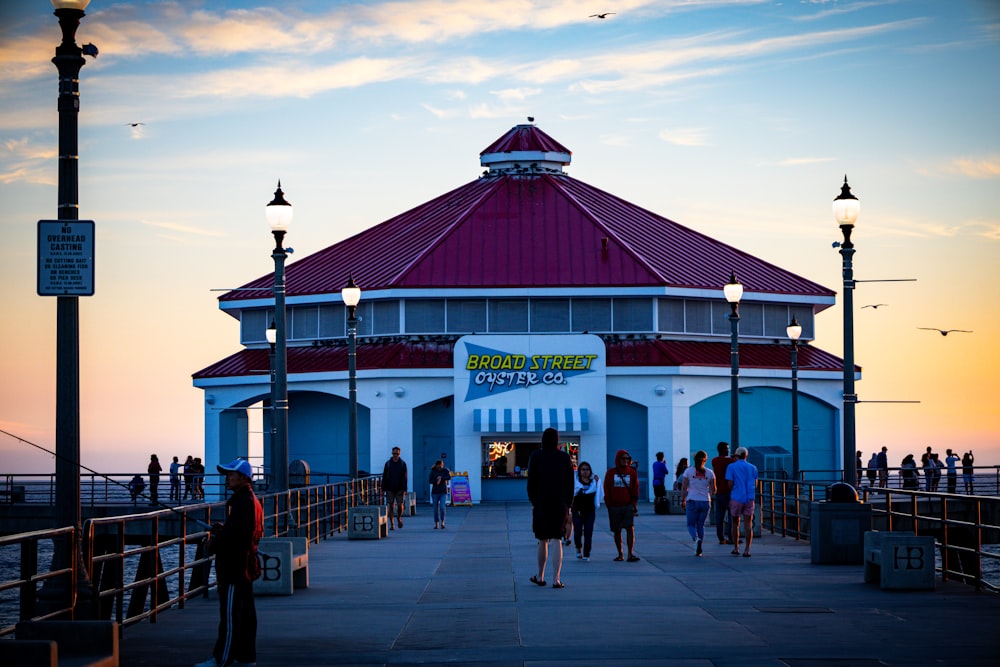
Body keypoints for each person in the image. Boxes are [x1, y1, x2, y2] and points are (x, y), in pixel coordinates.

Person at [196, 458, 263, 667]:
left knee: (231, 617)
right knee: (245, 616)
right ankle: (246, 657)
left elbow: (237, 539)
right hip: (246, 566)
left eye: (231, 474)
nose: (228, 477)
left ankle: (221, 660)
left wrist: (213, 544)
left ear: (243, 477)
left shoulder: (241, 503)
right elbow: (241, 531)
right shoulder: (251, 500)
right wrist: (223, 529)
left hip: (235, 568)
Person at [526, 428, 574, 588]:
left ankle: (540, 576)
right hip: (559, 504)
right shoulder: (564, 458)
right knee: (557, 540)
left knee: (542, 540)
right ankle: (556, 579)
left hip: (541, 504)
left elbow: (531, 483)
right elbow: (570, 484)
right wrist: (568, 505)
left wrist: (534, 501)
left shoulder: (536, 456)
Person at [604, 449, 640, 562]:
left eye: (627, 458)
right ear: (618, 459)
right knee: (617, 530)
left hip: (627, 505)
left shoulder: (632, 473)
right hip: (614, 506)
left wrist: (634, 504)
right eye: (623, 458)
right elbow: (607, 488)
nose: (625, 460)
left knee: (630, 528)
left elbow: (635, 489)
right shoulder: (611, 473)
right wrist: (609, 504)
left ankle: (630, 553)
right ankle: (620, 553)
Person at [681, 450, 716, 557]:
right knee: (701, 525)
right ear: (705, 460)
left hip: (692, 500)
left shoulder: (688, 472)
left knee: (691, 524)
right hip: (705, 501)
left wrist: (683, 499)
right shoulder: (710, 473)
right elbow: (714, 490)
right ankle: (699, 548)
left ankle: (696, 539)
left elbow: (684, 488)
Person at [725, 447, 758, 558]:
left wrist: (733, 491)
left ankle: (736, 547)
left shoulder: (731, 467)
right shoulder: (753, 467)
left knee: (735, 523)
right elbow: (755, 483)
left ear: (736, 456)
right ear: (746, 456)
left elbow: (730, 483)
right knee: (748, 524)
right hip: (749, 497)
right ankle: (747, 550)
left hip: (736, 497)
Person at [571, 460, 602, 561]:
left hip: (589, 511)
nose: (585, 471)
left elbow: (599, 493)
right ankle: (578, 548)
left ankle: (587, 553)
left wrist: (597, 482)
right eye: (583, 469)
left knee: (588, 532)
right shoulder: (575, 482)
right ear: (579, 471)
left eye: (587, 469)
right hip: (578, 510)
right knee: (577, 531)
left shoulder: (594, 482)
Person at [711, 442, 734, 545]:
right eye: (727, 448)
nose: (728, 450)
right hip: (728, 492)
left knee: (719, 516)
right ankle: (731, 537)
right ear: (723, 449)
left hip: (718, 491)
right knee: (731, 516)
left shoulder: (714, 461)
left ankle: (720, 538)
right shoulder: (730, 461)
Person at [381, 447, 408, 530]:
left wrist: (405, 488)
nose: (395, 455)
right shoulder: (388, 464)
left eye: (397, 454)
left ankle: (399, 517)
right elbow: (384, 476)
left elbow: (405, 477)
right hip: (390, 487)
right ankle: (392, 524)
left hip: (400, 488)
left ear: (399, 454)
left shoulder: (403, 464)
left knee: (400, 505)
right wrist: (383, 488)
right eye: (394, 454)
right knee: (391, 506)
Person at [428, 459, 451, 529]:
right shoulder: (433, 471)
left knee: (442, 507)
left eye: (441, 466)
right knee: (435, 509)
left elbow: (449, 477)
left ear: (442, 465)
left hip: (443, 492)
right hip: (435, 492)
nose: (439, 468)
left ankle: (442, 522)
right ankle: (436, 523)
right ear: (436, 465)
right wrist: (436, 480)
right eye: (438, 466)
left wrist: (442, 478)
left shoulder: (445, 470)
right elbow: (430, 480)